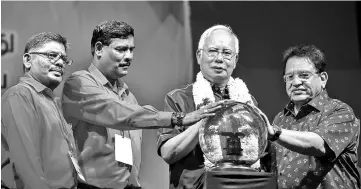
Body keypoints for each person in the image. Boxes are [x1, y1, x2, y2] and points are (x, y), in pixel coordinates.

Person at [61, 20, 221, 189]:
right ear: (99, 48)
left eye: (131, 49)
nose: (129, 56)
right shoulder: (78, 84)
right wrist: (180, 118)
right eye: (121, 49)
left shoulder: (128, 96)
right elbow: (118, 112)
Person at [157, 25, 272, 189]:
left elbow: (259, 152)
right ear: (199, 55)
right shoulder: (178, 98)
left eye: (226, 53)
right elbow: (168, 153)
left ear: (235, 60)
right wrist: (205, 121)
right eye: (212, 51)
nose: (219, 58)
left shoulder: (247, 102)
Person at [261, 44, 360, 189]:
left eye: (304, 75)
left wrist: (276, 133)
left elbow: (319, 145)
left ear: (323, 78)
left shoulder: (340, 111)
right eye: (290, 77)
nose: (295, 82)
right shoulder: (280, 119)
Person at [1, 32, 78, 188]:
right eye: (52, 55)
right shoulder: (19, 95)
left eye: (63, 59)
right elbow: (26, 163)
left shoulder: (52, 102)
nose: (60, 63)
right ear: (28, 60)